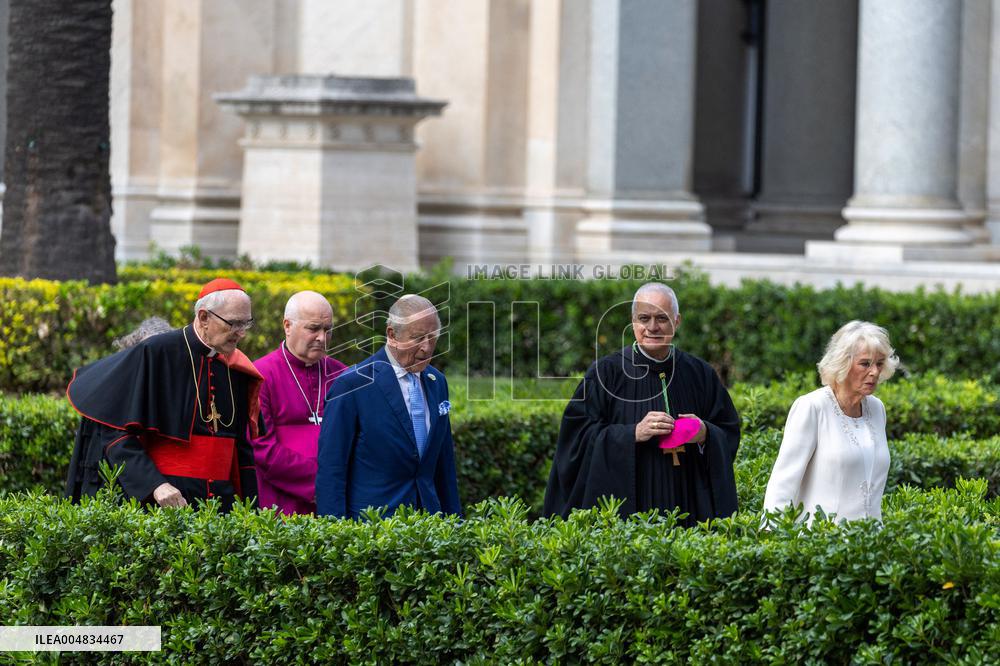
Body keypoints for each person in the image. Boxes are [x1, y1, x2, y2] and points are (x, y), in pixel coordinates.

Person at [543, 283, 740, 524]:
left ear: (677, 321)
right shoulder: (605, 373)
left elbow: (727, 430)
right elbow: (575, 441)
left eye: (662, 318)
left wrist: (704, 434)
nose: (652, 327)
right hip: (629, 515)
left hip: (689, 510)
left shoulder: (700, 374)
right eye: (644, 318)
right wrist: (632, 433)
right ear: (633, 322)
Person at [65, 278, 263, 510]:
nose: (241, 333)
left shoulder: (237, 368)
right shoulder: (156, 352)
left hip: (222, 505)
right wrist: (154, 485)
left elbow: (240, 450)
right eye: (233, 324)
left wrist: (251, 508)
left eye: (246, 324)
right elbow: (115, 432)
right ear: (203, 317)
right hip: (167, 504)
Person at [316, 294, 461, 519]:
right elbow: (331, 469)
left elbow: (444, 465)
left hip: (430, 528)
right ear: (392, 335)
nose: (426, 348)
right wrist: (333, 535)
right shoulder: (352, 384)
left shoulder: (437, 382)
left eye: (432, 338)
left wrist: (455, 523)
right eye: (418, 338)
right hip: (374, 529)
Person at [763, 321, 898, 523]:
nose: (875, 372)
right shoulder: (812, 407)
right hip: (821, 544)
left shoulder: (877, 409)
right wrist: (771, 539)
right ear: (842, 363)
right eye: (865, 363)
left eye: (879, 363)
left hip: (871, 544)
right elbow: (783, 484)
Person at [252, 291, 347, 515]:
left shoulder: (342, 374)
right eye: (313, 328)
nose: (322, 338)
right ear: (287, 325)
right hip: (282, 501)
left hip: (336, 499)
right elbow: (262, 448)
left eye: (328, 330)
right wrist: (322, 482)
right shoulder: (260, 375)